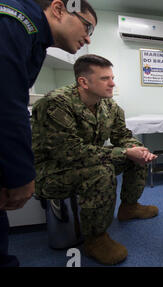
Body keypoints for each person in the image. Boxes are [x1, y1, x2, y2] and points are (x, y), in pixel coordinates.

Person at [31, 54, 159, 265]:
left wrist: (135, 149)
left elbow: (122, 135)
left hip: (89, 159)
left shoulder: (109, 106)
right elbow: (70, 152)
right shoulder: (56, 104)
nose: (112, 83)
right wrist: (125, 152)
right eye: (104, 78)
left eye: (112, 77)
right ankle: (96, 239)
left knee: (136, 156)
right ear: (84, 82)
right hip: (53, 170)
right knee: (102, 171)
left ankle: (129, 207)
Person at [0, 0, 97, 267]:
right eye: (87, 26)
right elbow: (7, 102)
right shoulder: (14, 22)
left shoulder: (35, 40)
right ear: (58, 9)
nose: (88, 37)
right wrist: (20, 175)